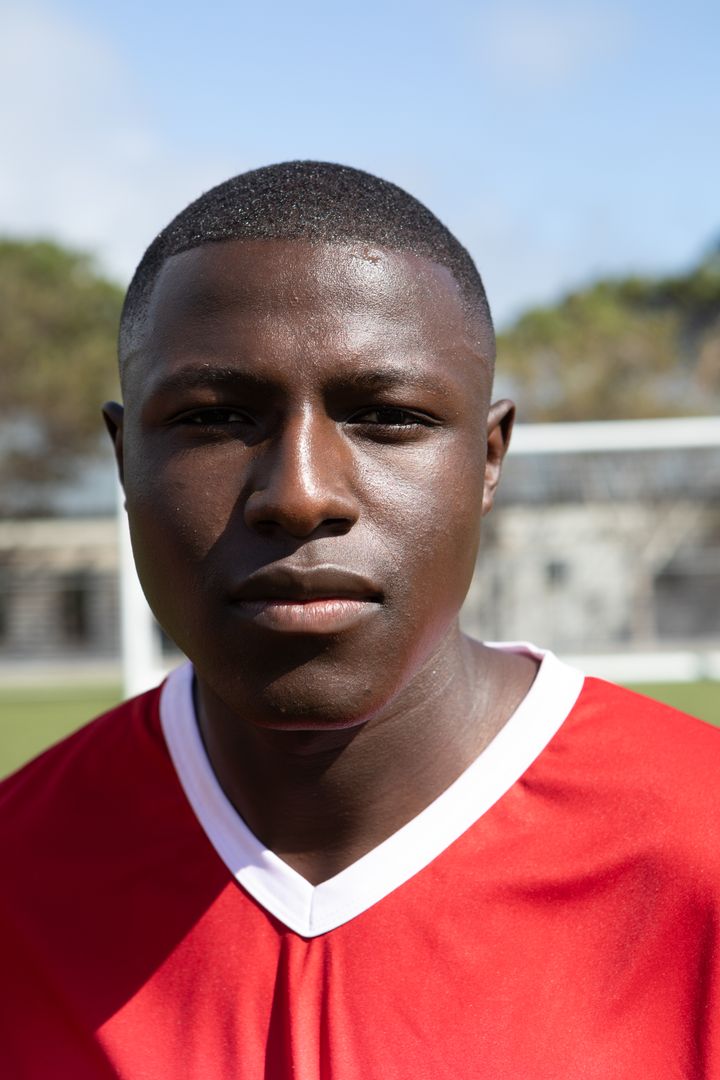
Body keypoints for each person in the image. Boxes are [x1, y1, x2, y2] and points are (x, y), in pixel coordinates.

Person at [2, 161, 719, 1079]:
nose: (299, 496)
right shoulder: (18, 875)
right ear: (123, 456)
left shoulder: (700, 850)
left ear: (488, 459)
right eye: (216, 418)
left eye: (387, 416)